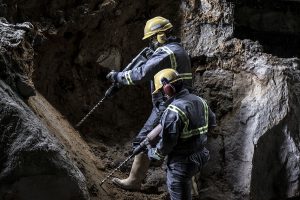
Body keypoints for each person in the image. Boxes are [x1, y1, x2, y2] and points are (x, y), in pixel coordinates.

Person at [106, 16, 192, 190]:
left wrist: (118, 77)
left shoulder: (166, 52)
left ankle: (134, 181)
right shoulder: (177, 50)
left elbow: (142, 74)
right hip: (177, 103)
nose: (152, 42)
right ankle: (188, 187)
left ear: (161, 35)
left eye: (153, 38)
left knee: (144, 141)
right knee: (180, 148)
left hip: (168, 105)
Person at [147, 68, 216, 200]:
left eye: (162, 91)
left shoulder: (173, 111)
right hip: (201, 155)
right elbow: (212, 125)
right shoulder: (200, 101)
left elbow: (165, 148)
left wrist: (151, 152)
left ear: (168, 88)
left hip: (182, 164)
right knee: (188, 182)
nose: (163, 95)